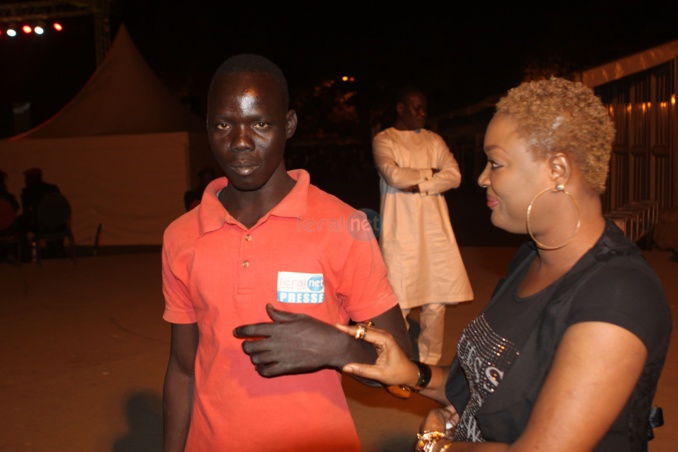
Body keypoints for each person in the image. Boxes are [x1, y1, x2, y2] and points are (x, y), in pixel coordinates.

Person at [335, 77, 672, 451]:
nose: (481, 179)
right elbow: (482, 383)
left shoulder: (618, 295)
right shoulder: (531, 257)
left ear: (557, 170)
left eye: (495, 163)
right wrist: (411, 373)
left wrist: (436, 445)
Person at [161, 53, 412, 452]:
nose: (241, 142)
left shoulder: (342, 225)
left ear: (289, 125)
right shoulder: (181, 236)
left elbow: (405, 364)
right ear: (207, 128)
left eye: (260, 123)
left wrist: (338, 346)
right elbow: (181, 368)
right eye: (224, 124)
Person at [372, 86, 474, 366]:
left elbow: (454, 176)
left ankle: (429, 362)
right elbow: (393, 175)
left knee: (436, 302)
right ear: (400, 109)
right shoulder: (384, 140)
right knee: (399, 300)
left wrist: (421, 184)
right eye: (415, 107)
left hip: (435, 231)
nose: (422, 113)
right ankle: (399, 361)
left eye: (424, 107)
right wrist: (432, 174)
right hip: (400, 230)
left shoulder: (434, 140)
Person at [16, 168, 63, 260]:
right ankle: (59, 251)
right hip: (57, 224)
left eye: (27, 178)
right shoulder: (53, 188)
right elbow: (61, 208)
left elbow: (25, 212)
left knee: (20, 223)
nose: (26, 181)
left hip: (40, 226)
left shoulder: (27, 192)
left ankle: (25, 255)